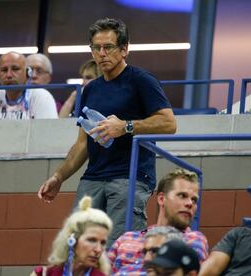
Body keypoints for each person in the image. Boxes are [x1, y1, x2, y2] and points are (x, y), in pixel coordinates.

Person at [38, 17, 176, 245]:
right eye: (96, 48)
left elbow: (169, 123)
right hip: (93, 177)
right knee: (77, 247)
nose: (101, 53)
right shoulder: (91, 89)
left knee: (118, 248)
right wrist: (59, 176)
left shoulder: (141, 80)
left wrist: (126, 126)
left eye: (108, 47)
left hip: (129, 176)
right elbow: (82, 143)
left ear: (124, 49)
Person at [107, 168, 208, 275]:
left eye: (194, 200)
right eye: (182, 196)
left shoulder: (193, 240)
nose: (190, 203)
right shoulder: (127, 238)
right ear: (161, 198)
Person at [31, 195, 113, 276]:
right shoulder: (44, 273)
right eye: (91, 240)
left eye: (102, 243)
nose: (98, 249)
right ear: (72, 240)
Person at [0, 51, 58, 120]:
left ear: (27, 74)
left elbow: (47, 135)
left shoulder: (42, 97)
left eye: (15, 69)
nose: (9, 75)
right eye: (4, 70)